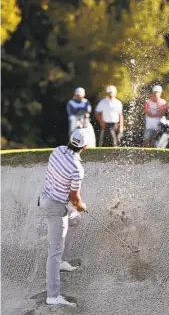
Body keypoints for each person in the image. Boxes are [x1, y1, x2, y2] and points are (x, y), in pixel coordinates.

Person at [39, 129, 89, 307]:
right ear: (84, 146)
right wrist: (81, 206)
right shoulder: (77, 169)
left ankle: (62, 261)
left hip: (47, 197)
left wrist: (76, 208)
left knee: (75, 219)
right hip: (55, 207)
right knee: (54, 251)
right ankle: (53, 296)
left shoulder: (58, 150)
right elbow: (74, 198)